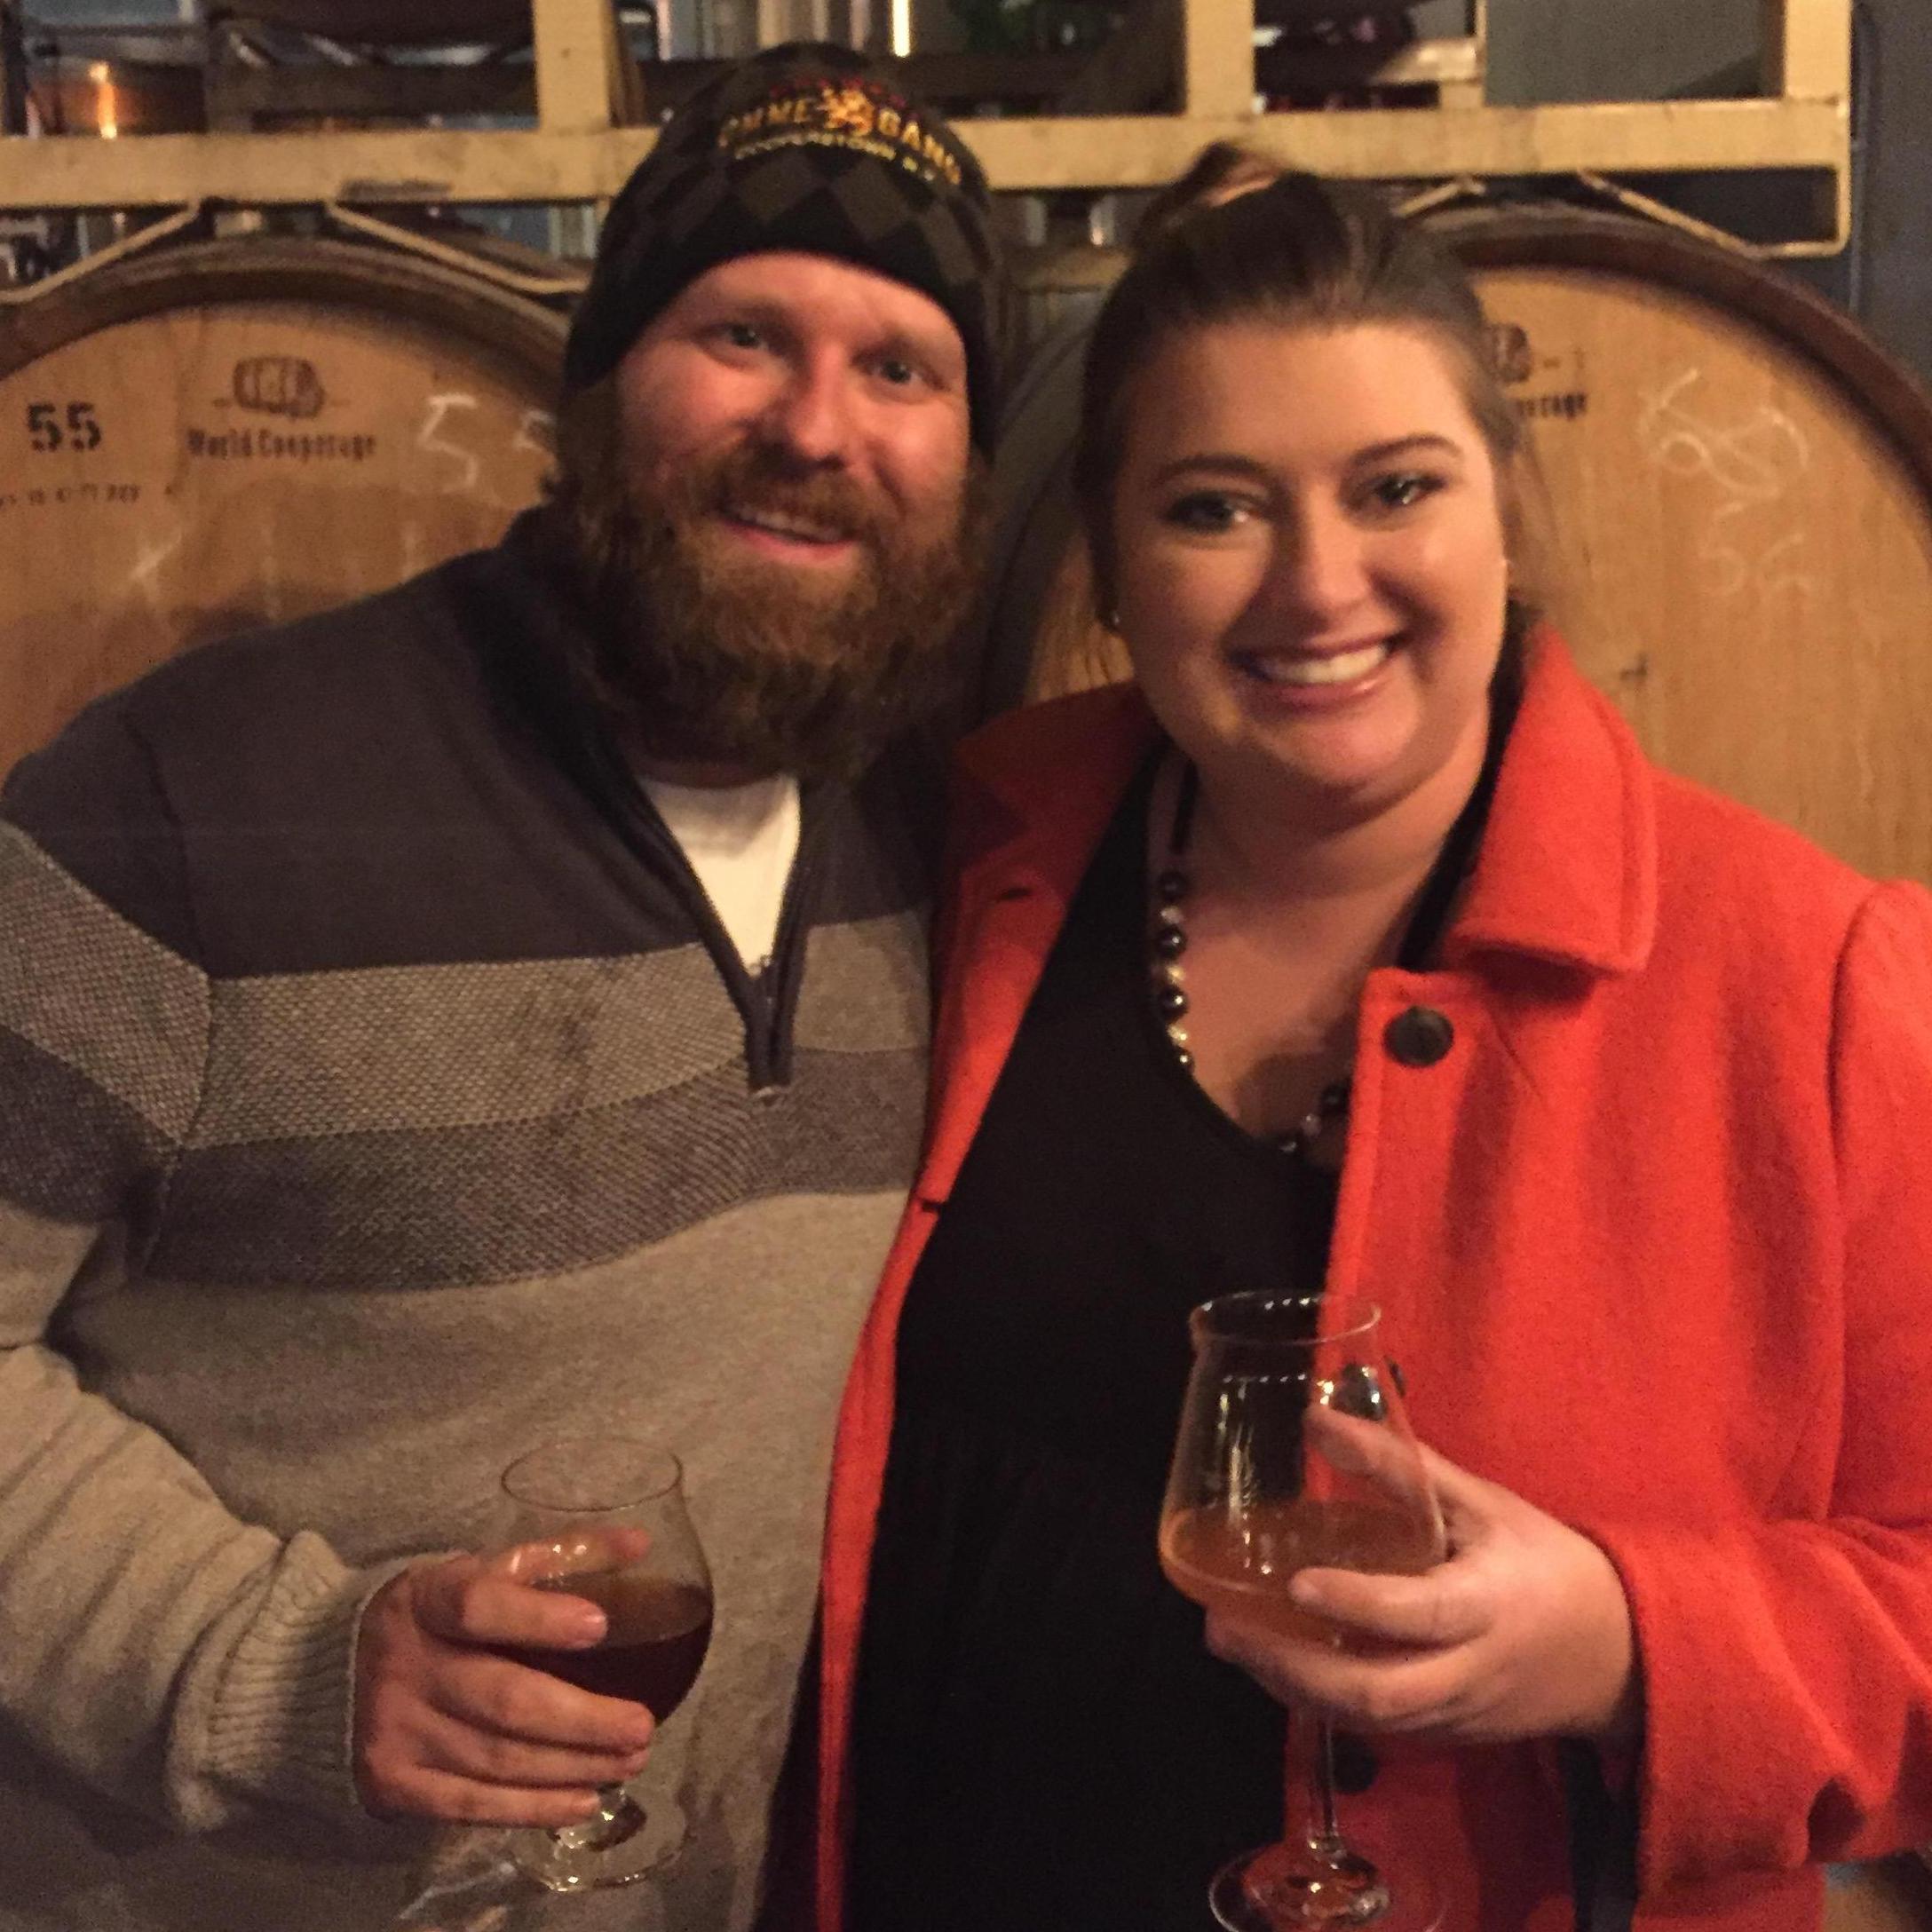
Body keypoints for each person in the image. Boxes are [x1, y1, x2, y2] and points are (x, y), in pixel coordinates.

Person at [814, 160, 1932, 1932]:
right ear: (1108, 562)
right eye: (1213, 508)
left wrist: (1630, 1639)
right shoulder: (964, 860)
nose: (1316, 581)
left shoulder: (1813, 978)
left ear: (1506, 508)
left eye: (1396, 486)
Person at [0, 41, 1004, 1932]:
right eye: (741, 335)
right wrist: (275, 1667)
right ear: (601, 378)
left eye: (902, 368)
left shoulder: (927, 841)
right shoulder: (191, 797)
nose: (816, 426)